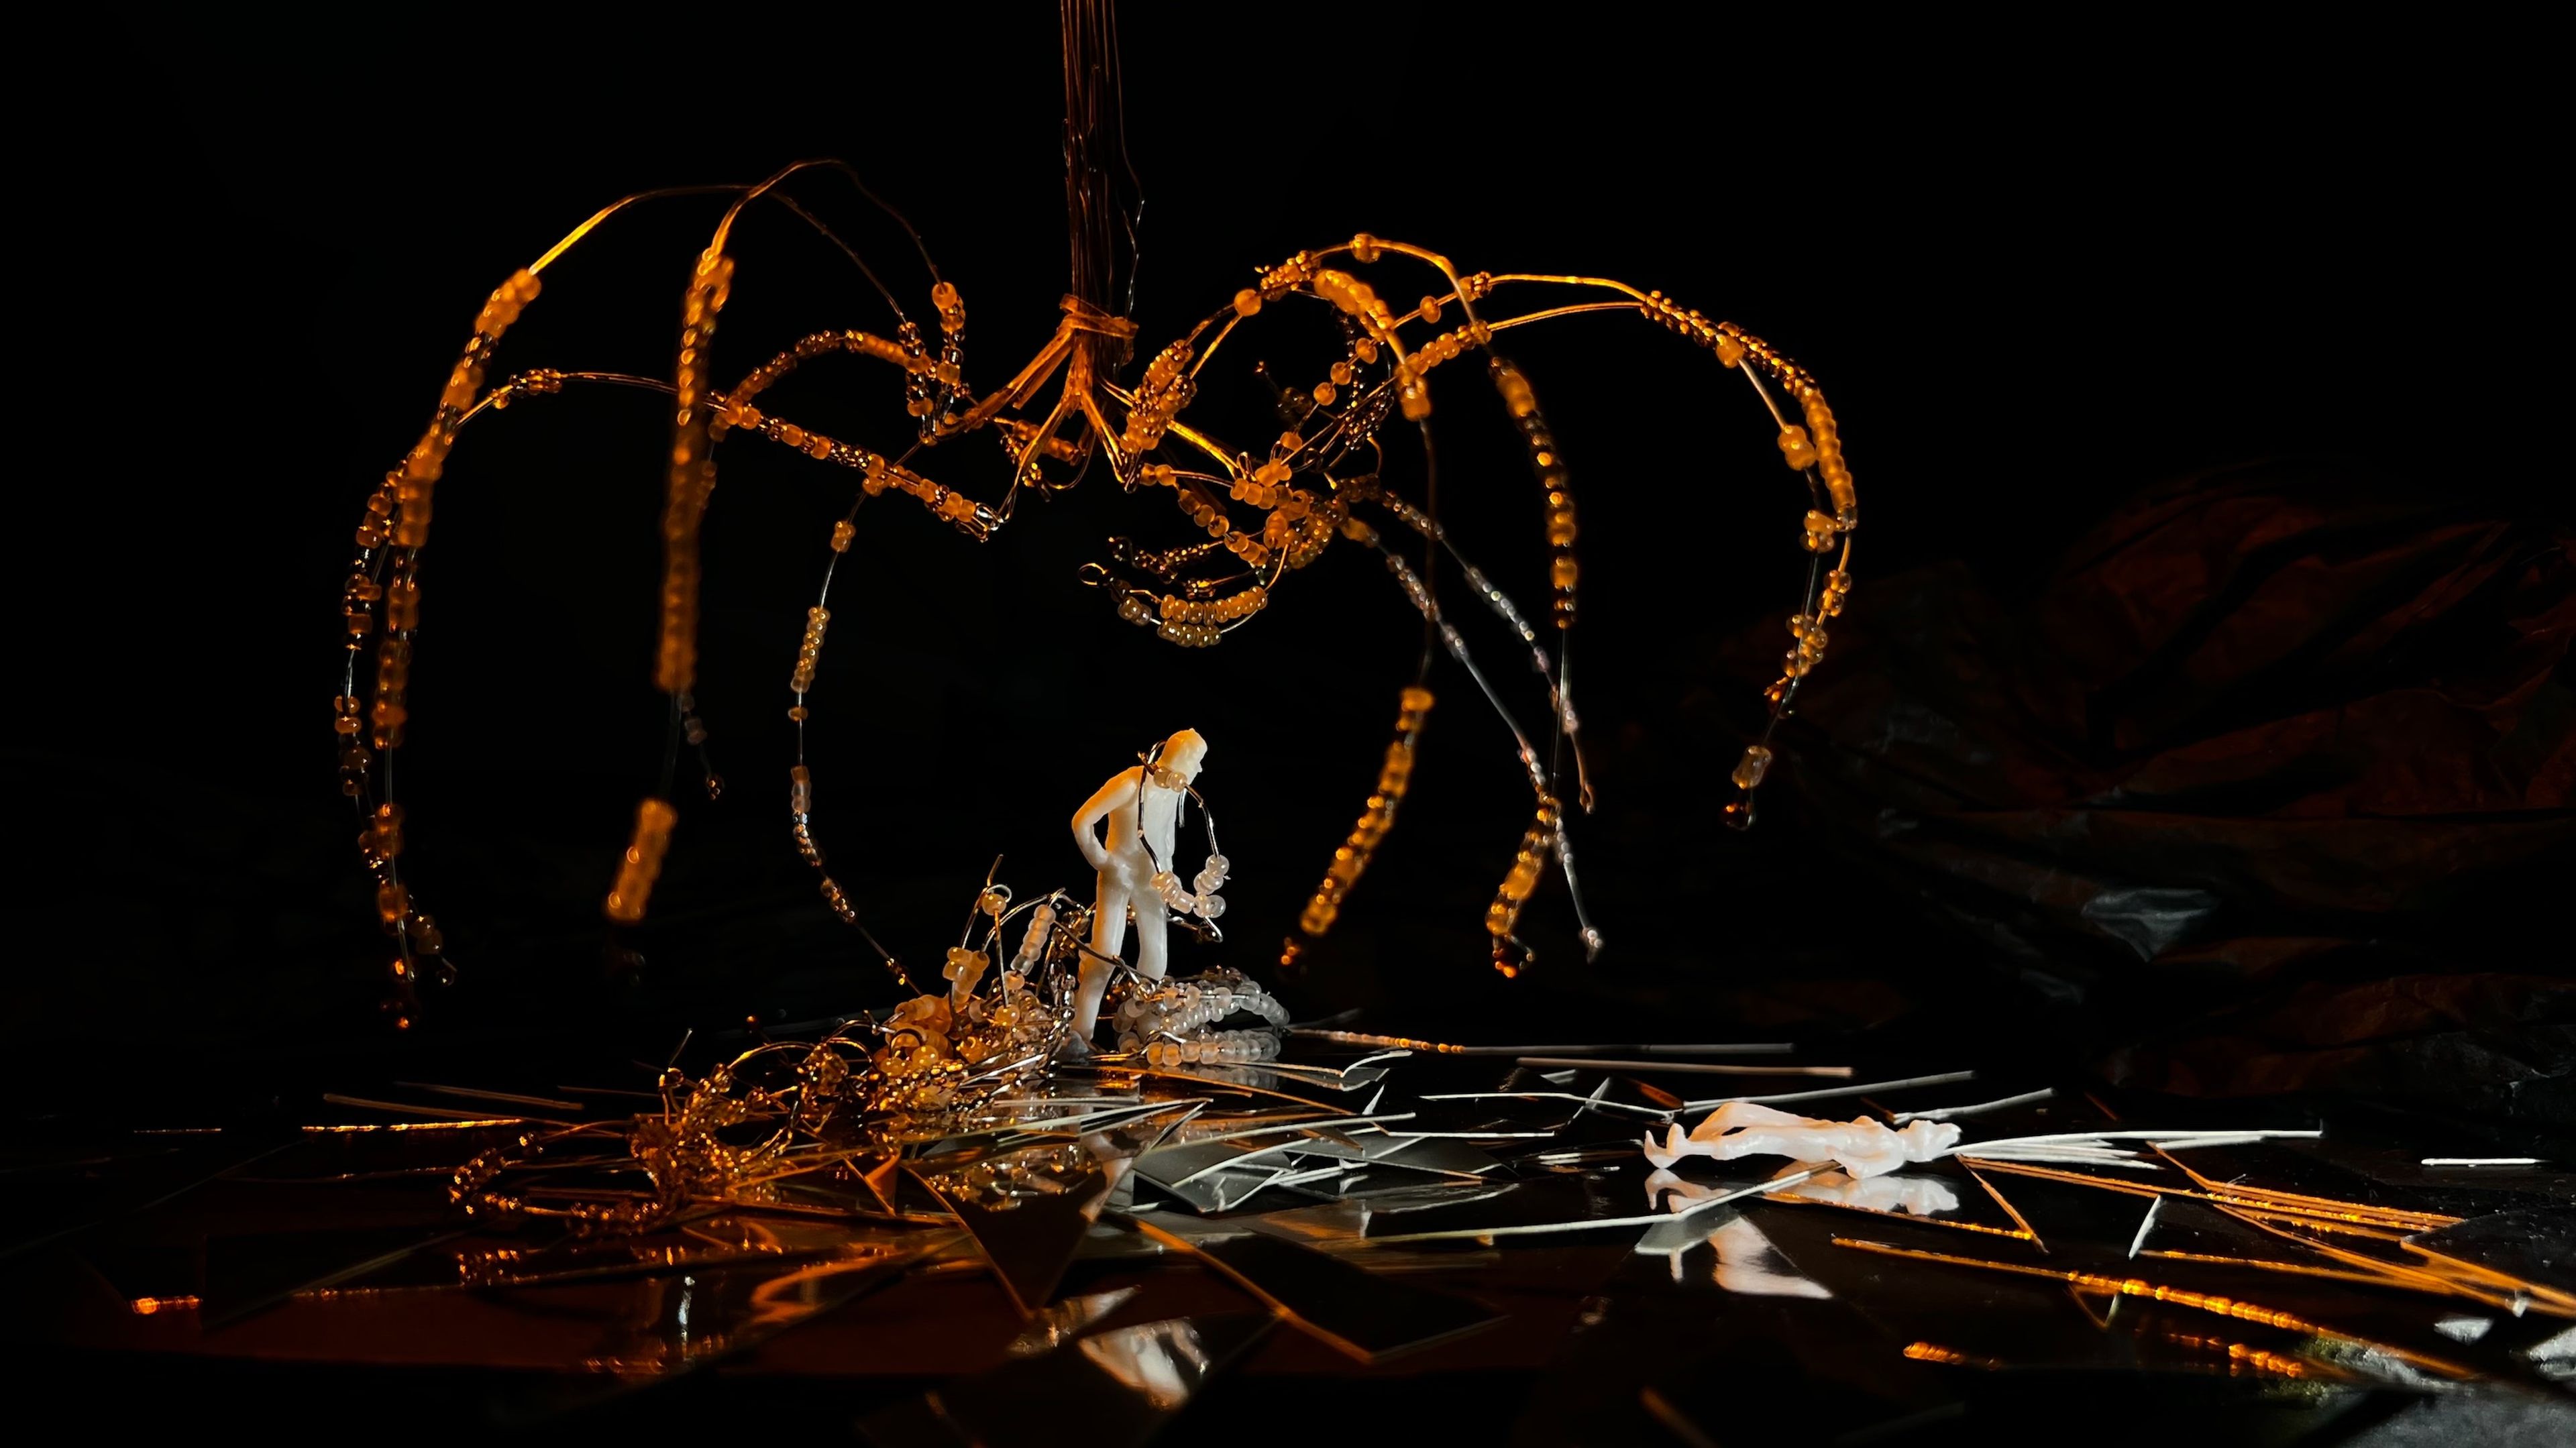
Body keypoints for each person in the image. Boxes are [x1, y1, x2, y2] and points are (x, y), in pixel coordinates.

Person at [1067, 729, 1208, 1041]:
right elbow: (1083, 820)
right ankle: (1081, 1032)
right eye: (1197, 762)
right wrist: (1104, 861)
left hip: (1152, 881)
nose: (1199, 770)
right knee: (1104, 955)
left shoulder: (1174, 793)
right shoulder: (1130, 784)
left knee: (1156, 958)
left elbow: (1164, 840)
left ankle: (1147, 1024)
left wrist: (1171, 880)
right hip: (1119, 876)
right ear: (1182, 759)